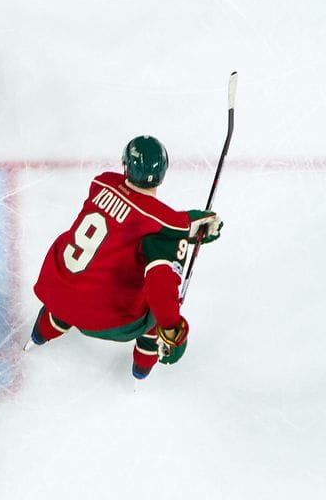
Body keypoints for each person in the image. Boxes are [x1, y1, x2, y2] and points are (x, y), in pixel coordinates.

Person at [26, 135, 224, 380]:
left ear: (125, 165)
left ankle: (42, 332)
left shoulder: (102, 183)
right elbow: (161, 281)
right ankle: (141, 368)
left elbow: (138, 216)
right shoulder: (162, 227)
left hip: (55, 289)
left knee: (88, 273)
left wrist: (185, 226)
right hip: (105, 320)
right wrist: (173, 330)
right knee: (155, 308)